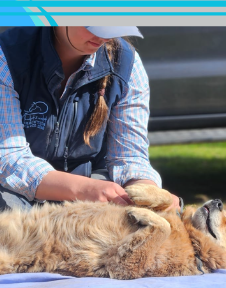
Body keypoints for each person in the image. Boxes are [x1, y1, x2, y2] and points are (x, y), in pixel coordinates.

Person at [0, 26, 179, 211]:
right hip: (13, 193)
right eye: (93, 23)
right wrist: (85, 189)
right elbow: (9, 160)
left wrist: (147, 192)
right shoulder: (8, 55)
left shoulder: (127, 64)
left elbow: (130, 159)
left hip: (94, 188)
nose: (104, 34)